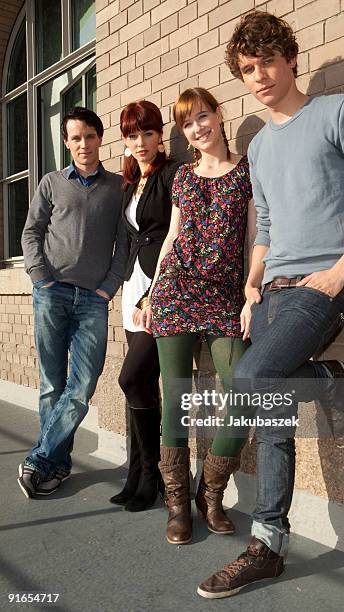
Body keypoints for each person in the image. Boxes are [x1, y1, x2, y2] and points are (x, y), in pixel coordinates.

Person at [197, 11, 344, 598]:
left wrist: (340, 273)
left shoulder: (338, 112)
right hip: (269, 295)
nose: (257, 76)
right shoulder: (259, 144)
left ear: (290, 59)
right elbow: (265, 224)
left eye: (265, 62)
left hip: (323, 289)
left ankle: (324, 375)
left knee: (257, 377)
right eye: (245, 69)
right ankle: (269, 545)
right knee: (272, 410)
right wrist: (250, 284)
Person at [140, 87, 255, 545]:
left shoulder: (247, 170)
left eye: (202, 116)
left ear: (220, 114)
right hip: (177, 290)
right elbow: (172, 236)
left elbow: (251, 236)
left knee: (245, 389)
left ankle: (210, 494)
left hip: (226, 296)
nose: (197, 128)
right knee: (176, 399)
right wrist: (151, 293)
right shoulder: (183, 177)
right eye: (188, 123)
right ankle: (176, 504)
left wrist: (251, 293)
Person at [18, 107, 128, 499]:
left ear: (100, 138)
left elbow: (124, 244)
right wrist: (40, 278)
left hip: (93, 301)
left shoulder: (117, 187)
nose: (84, 144)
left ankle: (39, 459)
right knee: (52, 385)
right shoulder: (51, 183)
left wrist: (109, 287)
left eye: (90, 136)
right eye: (76, 137)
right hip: (52, 293)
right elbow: (30, 233)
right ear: (66, 142)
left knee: (82, 385)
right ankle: (57, 465)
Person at [109, 100, 181, 512]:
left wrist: (156, 292)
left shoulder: (172, 175)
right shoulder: (132, 179)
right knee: (139, 384)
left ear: (159, 135)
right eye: (132, 135)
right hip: (132, 285)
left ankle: (151, 474)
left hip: (158, 288)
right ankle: (136, 473)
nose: (140, 142)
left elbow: (177, 236)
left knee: (130, 377)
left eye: (148, 133)